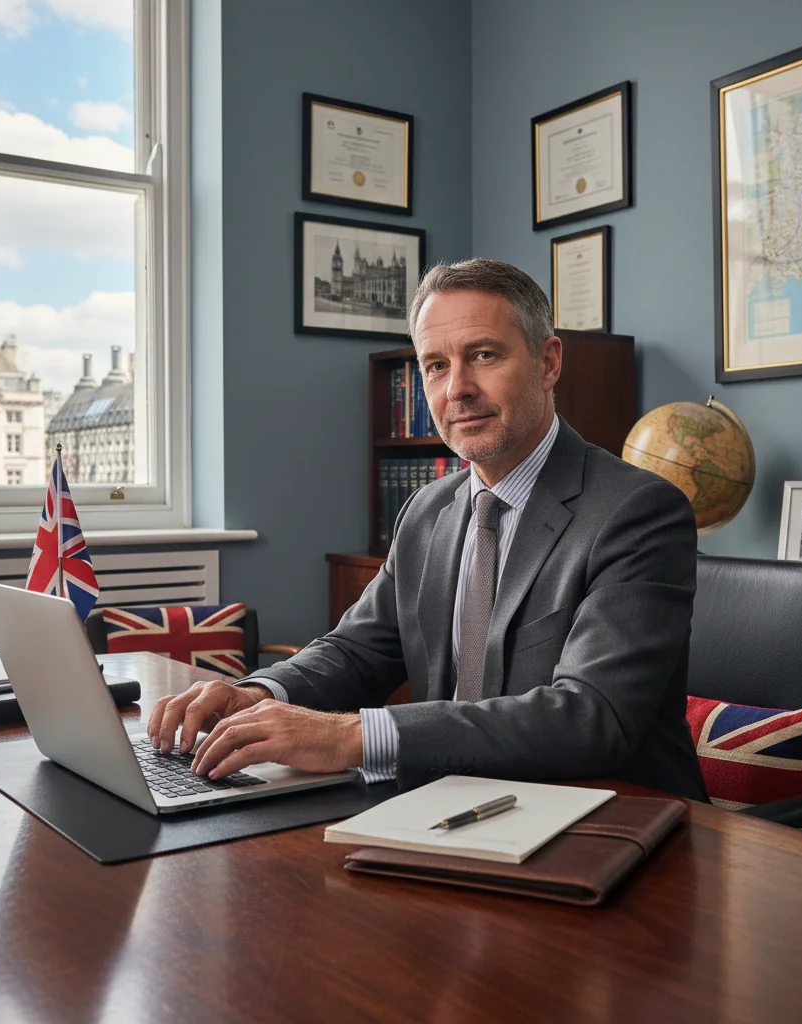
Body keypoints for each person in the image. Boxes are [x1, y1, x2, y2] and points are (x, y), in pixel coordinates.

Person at [148, 259, 707, 800]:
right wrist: (257, 695)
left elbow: (592, 718)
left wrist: (353, 736)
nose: (456, 389)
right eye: (436, 366)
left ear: (548, 362)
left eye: (483, 355)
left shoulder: (637, 512)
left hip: (615, 822)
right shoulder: (427, 510)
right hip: (452, 804)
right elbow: (358, 651)